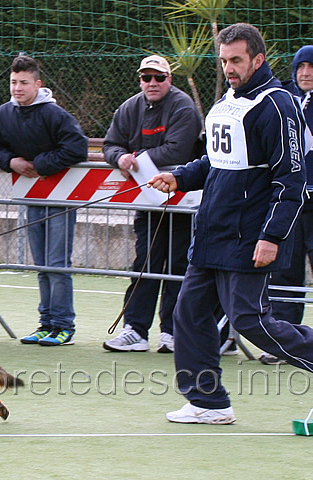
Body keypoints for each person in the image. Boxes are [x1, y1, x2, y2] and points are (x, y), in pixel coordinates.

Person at [149, 23, 312, 424]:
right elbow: (215, 161)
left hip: (249, 236)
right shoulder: (228, 100)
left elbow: (293, 178)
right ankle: (208, 403)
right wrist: (181, 177)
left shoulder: (277, 104)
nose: (228, 69)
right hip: (211, 232)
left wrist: (272, 236)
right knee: (188, 314)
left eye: (236, 60)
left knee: (250, 322)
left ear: (257, 59)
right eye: (224, 61)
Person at [102, 55, 203, 353]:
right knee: (145, 262)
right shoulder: (129, 107)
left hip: (181, 198)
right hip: (147, 201)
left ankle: (172, 331)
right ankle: (134, 329)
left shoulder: (183, 106)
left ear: (169, 79)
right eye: (146, 78)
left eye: (159, 77)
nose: (152, 83)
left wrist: (137, 159)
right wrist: (120, 158)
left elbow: (178, 150)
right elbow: (110, 144)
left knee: (177, 265)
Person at [0, 55, 88, 346]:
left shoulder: (54, 114)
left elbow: (77, 147)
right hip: (32, 199)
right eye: (13, 82)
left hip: (59, 199)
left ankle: (64, 325)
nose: (18, 88)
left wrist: (42, 164)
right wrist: (12, 162)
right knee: (42, 264)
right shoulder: (3, 114)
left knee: (57, 264)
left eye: (24, 83)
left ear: (38, 84)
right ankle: (46, 323)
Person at [260, 46, 313, 365]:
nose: (305, 72)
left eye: (311, 66)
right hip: (293, 206)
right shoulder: (283, 100)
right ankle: (287, 342)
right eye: (301, 66)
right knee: (286, 274)